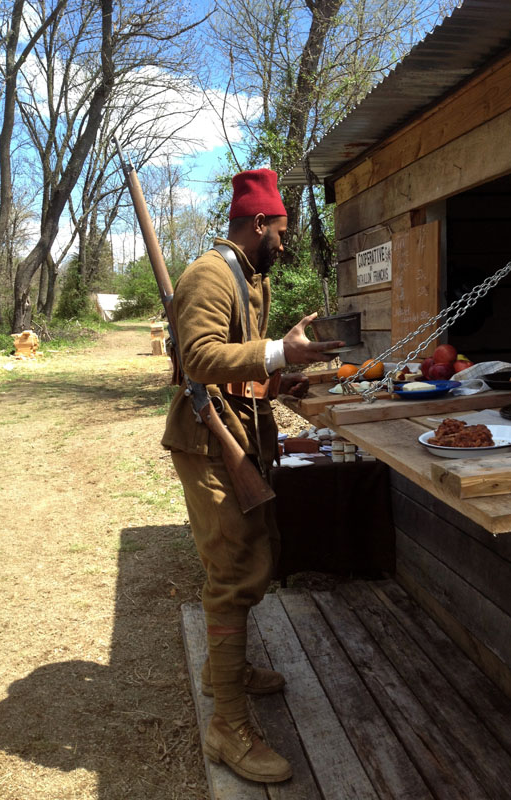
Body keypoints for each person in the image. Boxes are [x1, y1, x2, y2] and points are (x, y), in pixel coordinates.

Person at [161, 168, 342, 784]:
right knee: (235, 571)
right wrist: (278, 352)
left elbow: (235, 366)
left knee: (254, 555)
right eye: (282, 231)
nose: (285, 245)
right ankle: (226, 729)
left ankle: (225, 673)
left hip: (236, 431)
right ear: (259, 223)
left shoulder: (245, 274)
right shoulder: (210, 274)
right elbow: (200, 357)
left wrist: (278, 378)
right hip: (211, 442)